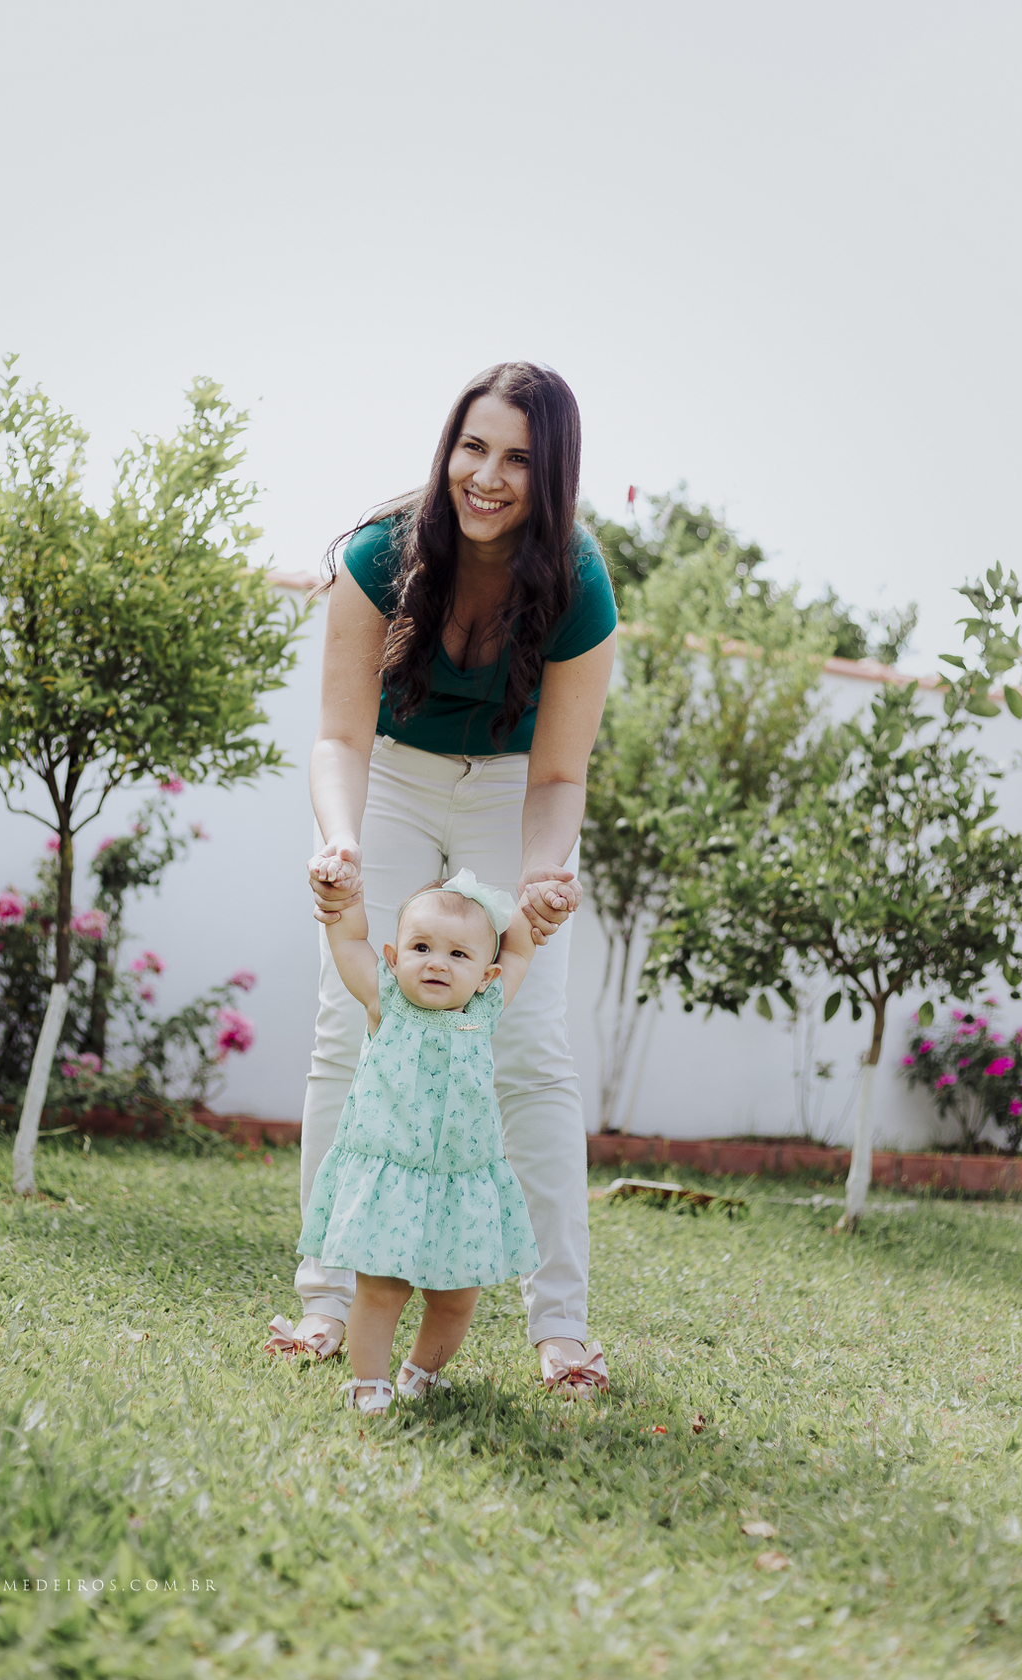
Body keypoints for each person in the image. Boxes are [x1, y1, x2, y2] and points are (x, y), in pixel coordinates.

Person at [268, 361, 617, 1397]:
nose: (488, 475)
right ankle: (325, 1299)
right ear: (447, 449)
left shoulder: (579, 582)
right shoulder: (382, 555)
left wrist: (544, 878)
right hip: (396, 777)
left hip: (516, 791)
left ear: (549, 473)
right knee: (349, 1026)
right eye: (473, 446)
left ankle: (562, 1328)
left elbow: (559, 772)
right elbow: (339, 734)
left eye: (516, 456)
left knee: (528, 1046)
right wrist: (338, 841)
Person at [295, 869, 550, 1414]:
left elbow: (523, 952)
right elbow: (347, 938)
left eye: (460, 955)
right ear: (393, 957)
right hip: (392, 1178)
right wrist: (346, 896)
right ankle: (370, 1382)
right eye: (421, 947)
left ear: (487, 975)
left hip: (462, 1182)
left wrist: (538, 901)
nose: (437, 962)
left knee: (457, 1299)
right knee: (383, 1290)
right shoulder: (384, 1002)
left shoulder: (483, 1011)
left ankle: (421, 1372)